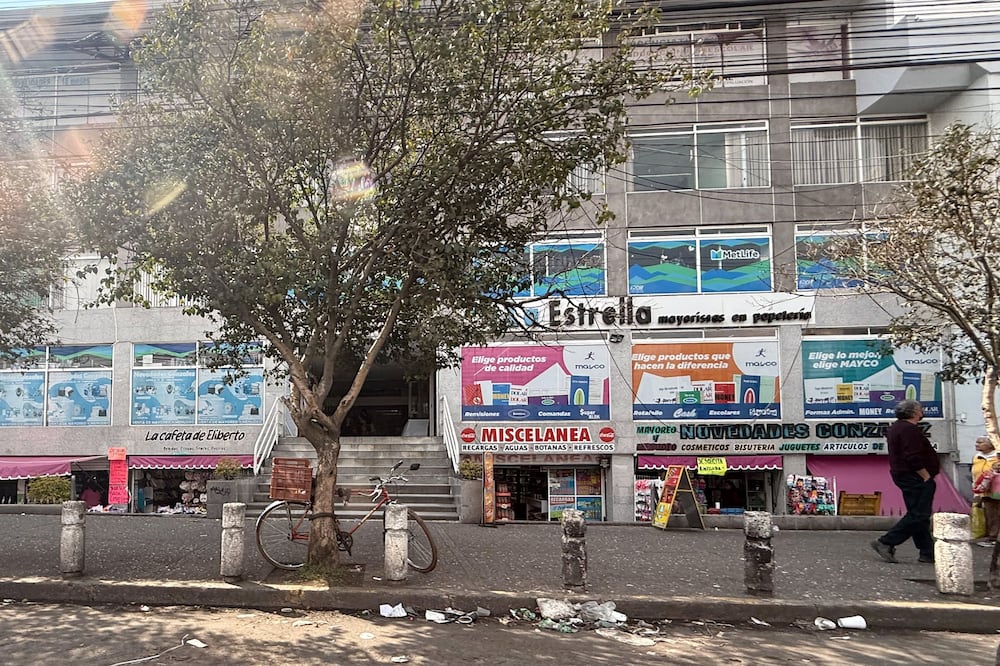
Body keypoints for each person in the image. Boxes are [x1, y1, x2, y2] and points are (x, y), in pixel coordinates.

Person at [870, 399, 939, 564]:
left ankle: (927, 552)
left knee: (918, 514)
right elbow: (912, 455)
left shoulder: (897, 427)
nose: (923, 411)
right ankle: (886, 541)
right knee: (919, 514)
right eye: (921, 409)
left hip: (905, 474)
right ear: (914, 412)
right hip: (914, 476)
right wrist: (925, 475)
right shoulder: (909, 429)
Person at [972, 435, 1000, 547]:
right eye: (977, 442)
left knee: (997, 513)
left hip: (997, 489)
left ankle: (995, 537)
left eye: (980, 442)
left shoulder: (997, 456)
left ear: (990, 444)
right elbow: (974, 474)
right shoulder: (977, 457)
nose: (976, 444)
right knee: (990, 514)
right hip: (984, 490)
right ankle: (993, 537)